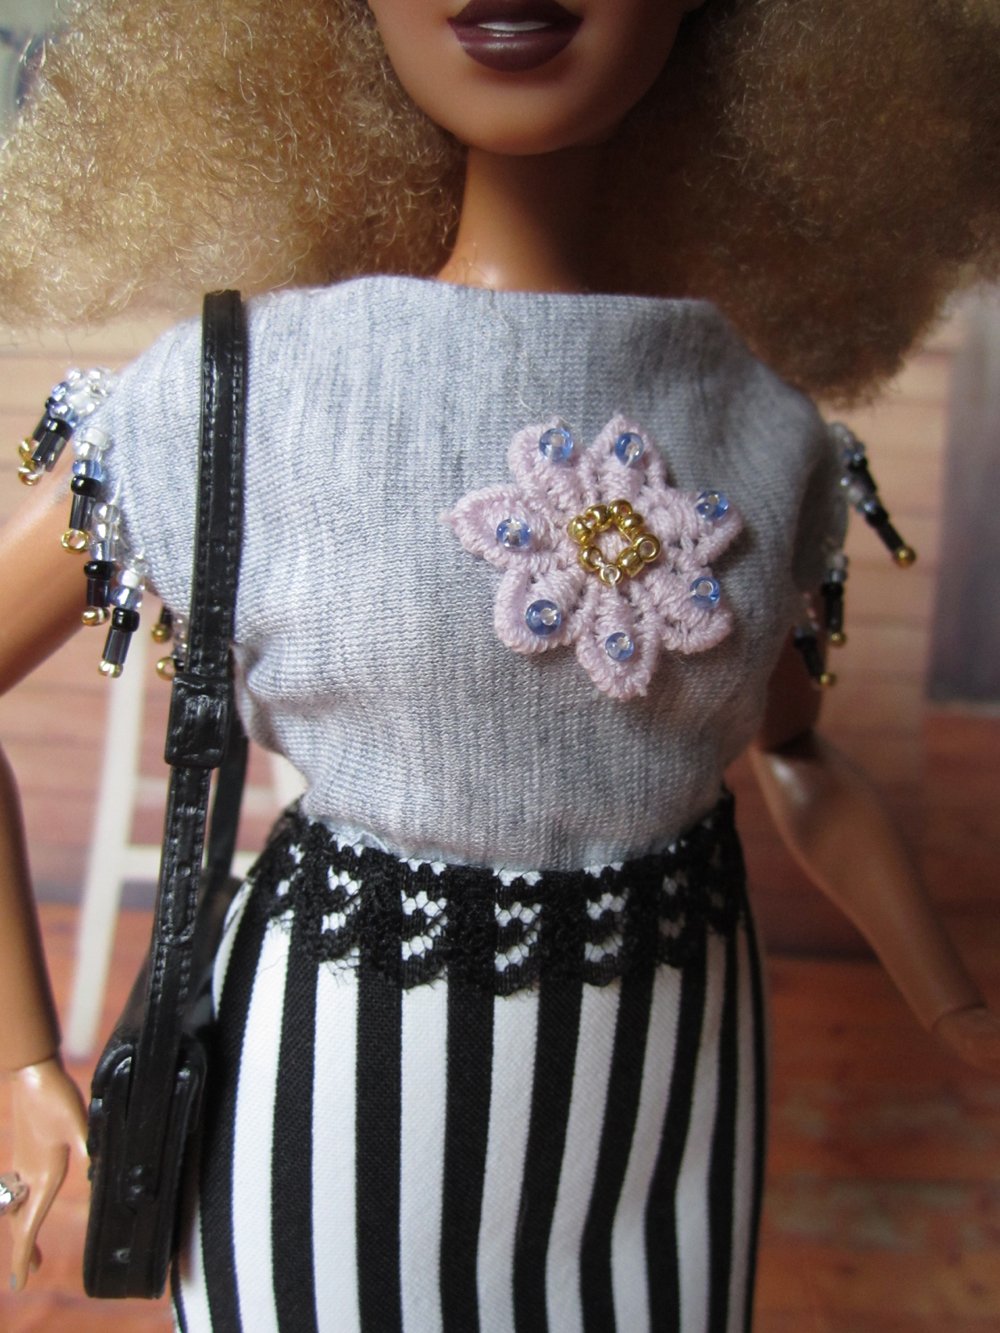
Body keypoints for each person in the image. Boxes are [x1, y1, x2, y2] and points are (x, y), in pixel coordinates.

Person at [1, 1, 999, 1328]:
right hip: (339, 1106)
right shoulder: (248, 392)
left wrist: (950, 1001)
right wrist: (22, 1062)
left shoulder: (768, 431)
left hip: (671, 1097)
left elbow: (796, 748)